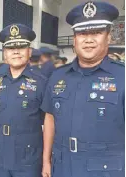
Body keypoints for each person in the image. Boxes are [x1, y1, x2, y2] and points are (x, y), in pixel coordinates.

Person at [41, 2, 124, 177]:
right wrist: (46, 161)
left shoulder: (122, 77)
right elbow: (50, 118)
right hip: (62, 166)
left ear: (109, 37)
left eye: (96, 33)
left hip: (105, 170)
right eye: (82, 33)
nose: (88, 39)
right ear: (74, 39)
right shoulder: (58, 76)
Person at [0, 24, 47, 177]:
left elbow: (48, 122)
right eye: (10, 48)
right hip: (0, 155)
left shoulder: (42, 82)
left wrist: (47, 158)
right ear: (5, 54)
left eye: (21, 47)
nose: (16, 51)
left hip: (28, 157)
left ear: (29, 52)